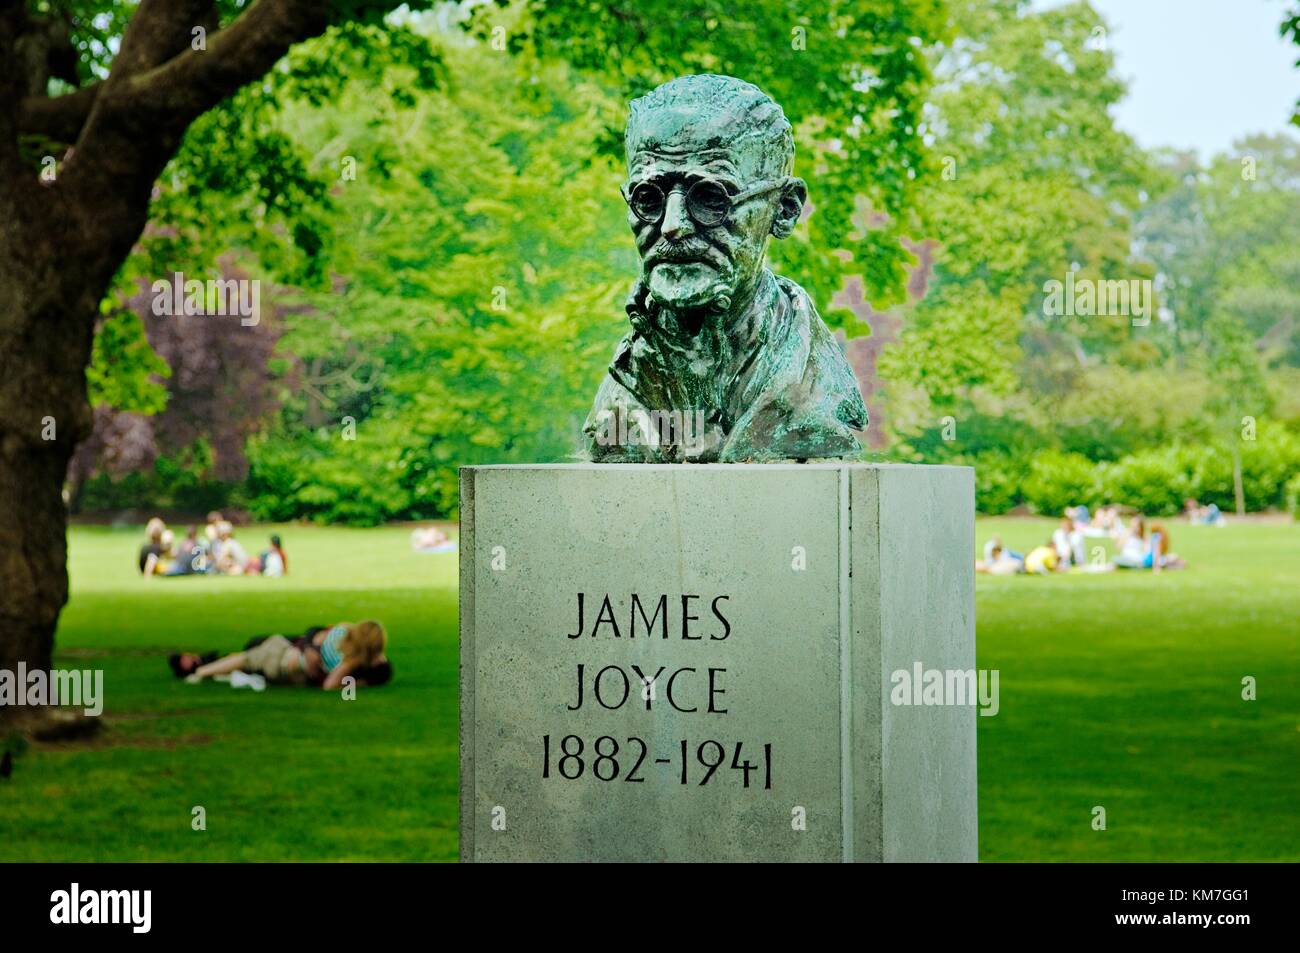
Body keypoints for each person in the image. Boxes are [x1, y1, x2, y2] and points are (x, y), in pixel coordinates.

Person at [178, 621, 391, 690]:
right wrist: (354, 679)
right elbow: (329, 685)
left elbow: (315, 634)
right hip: (280, 660)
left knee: (244, 659)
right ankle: (200, 671)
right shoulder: (348, 661)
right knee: (244, 660)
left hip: (285, 651)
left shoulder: (342, 630)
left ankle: (202, 666)